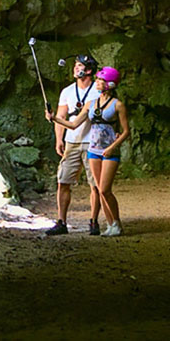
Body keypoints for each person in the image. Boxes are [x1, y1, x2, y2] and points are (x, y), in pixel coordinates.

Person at [50, 66, 130, 236]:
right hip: (93, 149)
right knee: (100, 188)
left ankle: (115, 222)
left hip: (108, 151)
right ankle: (111, 226)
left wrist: (112, 147)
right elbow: (73, 124)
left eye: (101, 81)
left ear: (110, 84)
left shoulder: (118, 105)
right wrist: (54, 118)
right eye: (98, 80)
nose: (98, 83)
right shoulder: (91, 103)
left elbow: (126, 131)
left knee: (103, 189)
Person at [44, 55, 102, 236]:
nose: (75, 69)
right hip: (72, 141)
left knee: (96, 184)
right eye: (75, 66)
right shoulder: (67, 91)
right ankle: (61, 221)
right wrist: (59, 139)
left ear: (89, 70)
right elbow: (60, 117)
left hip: (93, 142)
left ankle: (94, 221)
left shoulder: (98, 91)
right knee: (63, 181)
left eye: (79, 66)